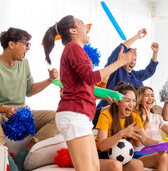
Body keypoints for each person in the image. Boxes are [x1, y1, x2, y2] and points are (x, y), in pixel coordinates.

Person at [42, 15, 135, 171]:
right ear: (72, 31)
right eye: (81, 23)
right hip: (74, 114)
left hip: (79, 115)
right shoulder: (73, 48)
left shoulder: (76, 50)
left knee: (94, 167)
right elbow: (90, 77)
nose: (87, 27)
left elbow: (83, 87)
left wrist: (103, 95)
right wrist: (120, 62)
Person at [0, 27, 59, 171]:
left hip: (21, 113)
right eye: (26, 44)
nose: (28, 48)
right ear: (11, 44)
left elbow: (29, 90)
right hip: (0, 114)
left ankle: (23, 155)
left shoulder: (24, 63)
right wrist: (3, 108)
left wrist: (49, 80)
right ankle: (8, 161)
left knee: (58, 116)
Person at [96, 82, 168, 171]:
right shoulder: (106, 115)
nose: (131, 104)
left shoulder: (134, 116)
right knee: (116, 165)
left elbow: (145, 139)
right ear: (118, 101)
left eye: (134, 100)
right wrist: (122, 133)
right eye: (127, 100)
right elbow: (102, 145)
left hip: (123, 156)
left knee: (137, 164)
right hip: (102, 156)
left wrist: (158, 144)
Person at [94, 28, 159, 125]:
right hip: (107, 111)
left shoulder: (135, 75)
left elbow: (149, 71)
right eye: (130, 59)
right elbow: (117, 52)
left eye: (135, 60)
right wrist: (137, 37)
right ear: (123, 58)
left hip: (125, 116)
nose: (133, 62)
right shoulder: (115, 69)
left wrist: (155, 53)